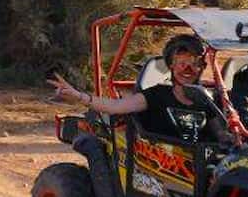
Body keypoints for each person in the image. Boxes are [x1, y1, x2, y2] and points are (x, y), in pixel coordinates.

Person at [48, 34, 230, 144]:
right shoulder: (157, 95)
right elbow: (115, 107)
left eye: (194, 64)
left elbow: (219, 133)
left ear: (201, 68)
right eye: (182, 63)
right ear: (171, 66)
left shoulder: (205, 100)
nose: (187, 70)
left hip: (201, 170)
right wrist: (78, 96)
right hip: (161, 174)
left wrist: (230, 139)